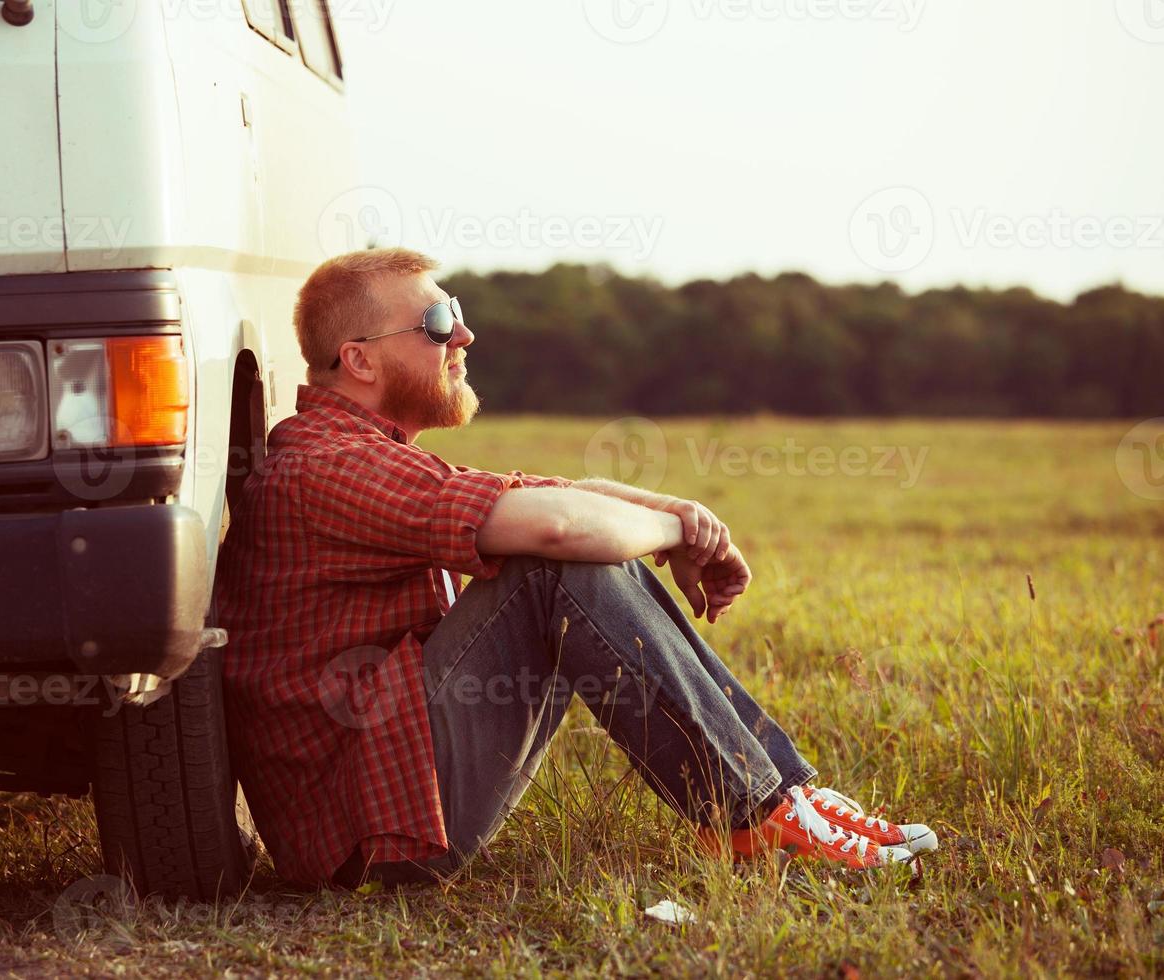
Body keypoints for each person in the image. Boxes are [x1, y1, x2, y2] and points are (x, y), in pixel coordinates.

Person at [211, 248, 937, 890]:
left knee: (560, 548)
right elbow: (556, 526)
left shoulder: (359, 450)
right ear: (360, 359)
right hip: (369, 829)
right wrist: (671, 529)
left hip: (387, 794)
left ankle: (783, 799)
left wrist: (681, 514)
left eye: (457, 316)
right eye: (436, 324)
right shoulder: (330, 466)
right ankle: (755, 815)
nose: (464, 336)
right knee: (554, 564)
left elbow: (549, 498)